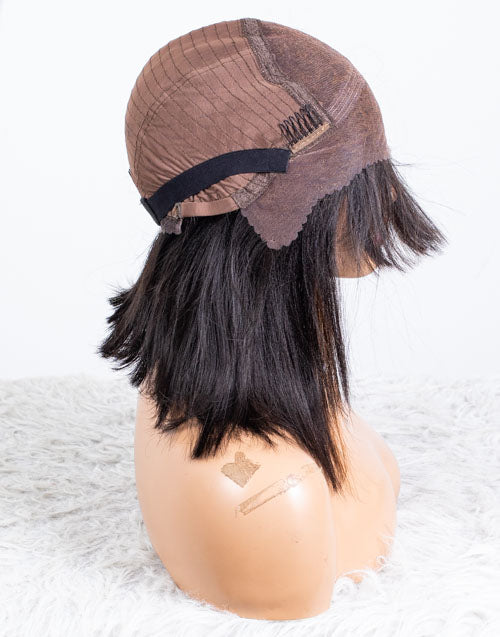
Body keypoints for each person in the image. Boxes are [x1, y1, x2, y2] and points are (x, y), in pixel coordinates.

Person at [98, 17, 446, 620]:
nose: (387, 197)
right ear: (270, 212)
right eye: (356, 171)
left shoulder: (248, 370)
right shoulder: (273, 503)